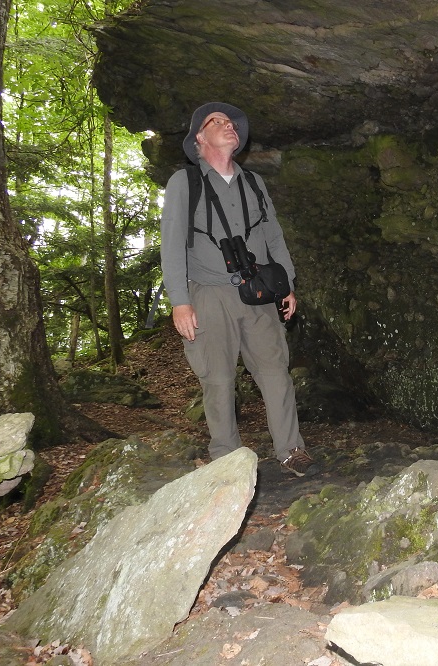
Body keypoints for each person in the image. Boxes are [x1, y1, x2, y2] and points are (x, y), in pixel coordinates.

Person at [160, 101, 313, 476]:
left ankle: (292, 450)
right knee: (218, 378)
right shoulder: (186, 183)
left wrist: (287, 285)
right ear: (200, 136)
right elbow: (172, 242)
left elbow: (274, 237)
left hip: (259, 291)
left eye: (233, 123)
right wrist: (180, 302)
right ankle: (226, 458)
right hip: (209, 294)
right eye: (219, 122)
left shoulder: (254, 183)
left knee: (276, 372)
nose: (230, 127)